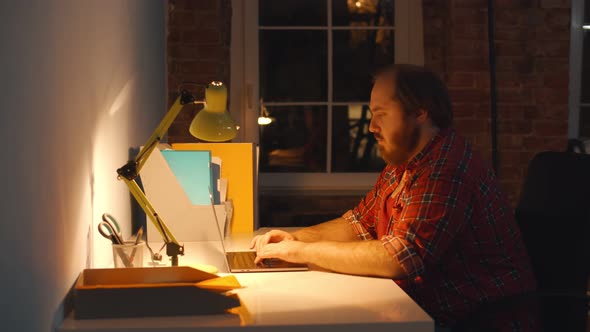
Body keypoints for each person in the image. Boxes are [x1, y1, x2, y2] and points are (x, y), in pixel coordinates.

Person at [250, 64, 537, 327]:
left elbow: (401, 257)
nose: (372, 126)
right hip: (428, 311)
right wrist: (295, 239)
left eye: (381, 115)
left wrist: (301, 253)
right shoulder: (403, 163)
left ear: (420, 112)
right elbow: (359, 223)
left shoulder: (447, 167)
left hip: (481, 320)